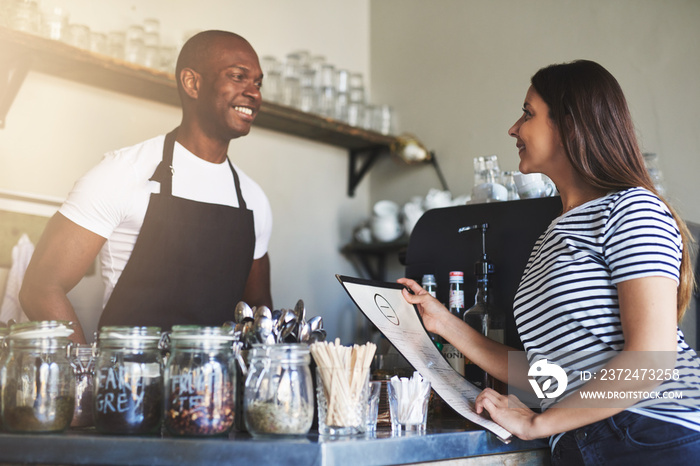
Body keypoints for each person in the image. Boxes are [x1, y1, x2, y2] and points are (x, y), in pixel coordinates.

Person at [399, 60, 700, 464]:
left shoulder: (632, 208)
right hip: (588, 439)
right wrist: (442, 322)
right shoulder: (554, 234)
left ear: (570, 124)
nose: (513, 128)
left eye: (528, 113)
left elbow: (651, 358)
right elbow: (553, 372)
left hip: (652, 430)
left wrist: (539, 423)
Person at [19, 30, 273, 344]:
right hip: (130, 386)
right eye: (238, 77)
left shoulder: (253, 199)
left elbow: (260, 314)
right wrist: (87, 377)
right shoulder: (121, 173)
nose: (254, 93)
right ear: (192, 83)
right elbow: (40, 288)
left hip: (216, 389)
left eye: (258, 83)